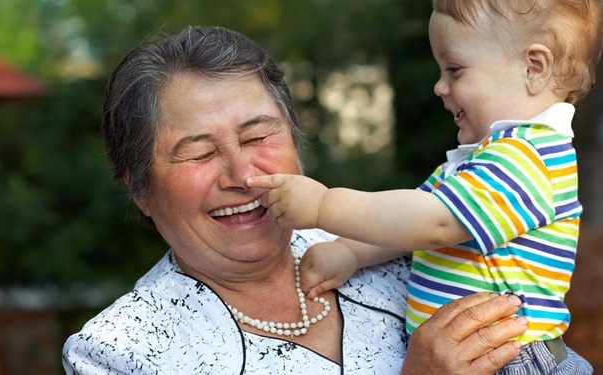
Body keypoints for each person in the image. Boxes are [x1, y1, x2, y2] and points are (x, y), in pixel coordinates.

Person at [61, 25, 532, 374]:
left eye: (258, 136)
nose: (244, 176)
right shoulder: (122, 351)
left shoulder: (392, 242)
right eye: (200, 153)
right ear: (139, 188)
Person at [247, 1, 602, 374]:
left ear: (534, 67)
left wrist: (323, 206)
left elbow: (432, 224)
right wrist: (350, 253)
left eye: (455, 69)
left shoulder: (527, 158)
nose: (439, 86)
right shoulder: (483, 160)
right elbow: (410, 220)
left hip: (513, 361)